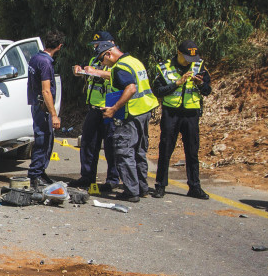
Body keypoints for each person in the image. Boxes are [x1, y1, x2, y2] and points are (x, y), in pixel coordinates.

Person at [94, 41, 159, 202]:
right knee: (139, 151)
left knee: (123, 151)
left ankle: (131, 191)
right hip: (144, 111)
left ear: (108, 54)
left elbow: (131, 88)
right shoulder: (134, 61)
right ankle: (142, 188)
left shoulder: (120, 67)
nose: (103, 64)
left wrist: (114, 109)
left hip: (130, 114)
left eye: (102, 60)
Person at [151, 40, 212, 199]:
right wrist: (177, 83)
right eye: (187, 58)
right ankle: (160, 185)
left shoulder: (199, 67)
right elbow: (157, 91)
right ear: (178, 53)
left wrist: (200, 84)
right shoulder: (164, 68)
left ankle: (194, 186)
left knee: (192, 151)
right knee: (166, 149)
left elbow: (207, 90)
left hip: (191, 114)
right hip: (172, 113)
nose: (190, 62)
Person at [70, 31, 119, 191]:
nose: (96, 48)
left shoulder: (118, 61)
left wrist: (96, 72)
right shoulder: (94, 59)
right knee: (88, 143)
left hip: (110, 109)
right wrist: (79, 69)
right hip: (93, 108)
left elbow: (116, 75)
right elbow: (86, 68)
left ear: (110, 44)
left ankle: (112, 180)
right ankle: (87, 177)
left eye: (99, 45)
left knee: (111, 146)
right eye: (95, 45)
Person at [27, 30, 64, 188]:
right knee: (43, 140)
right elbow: (46, 90)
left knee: (46, 138)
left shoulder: (35, 57)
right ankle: (35, 174)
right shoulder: (46, 63)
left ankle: (40, 172)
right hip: (42, 106)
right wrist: (54, 115)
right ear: (59, 46)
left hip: (37, 104)